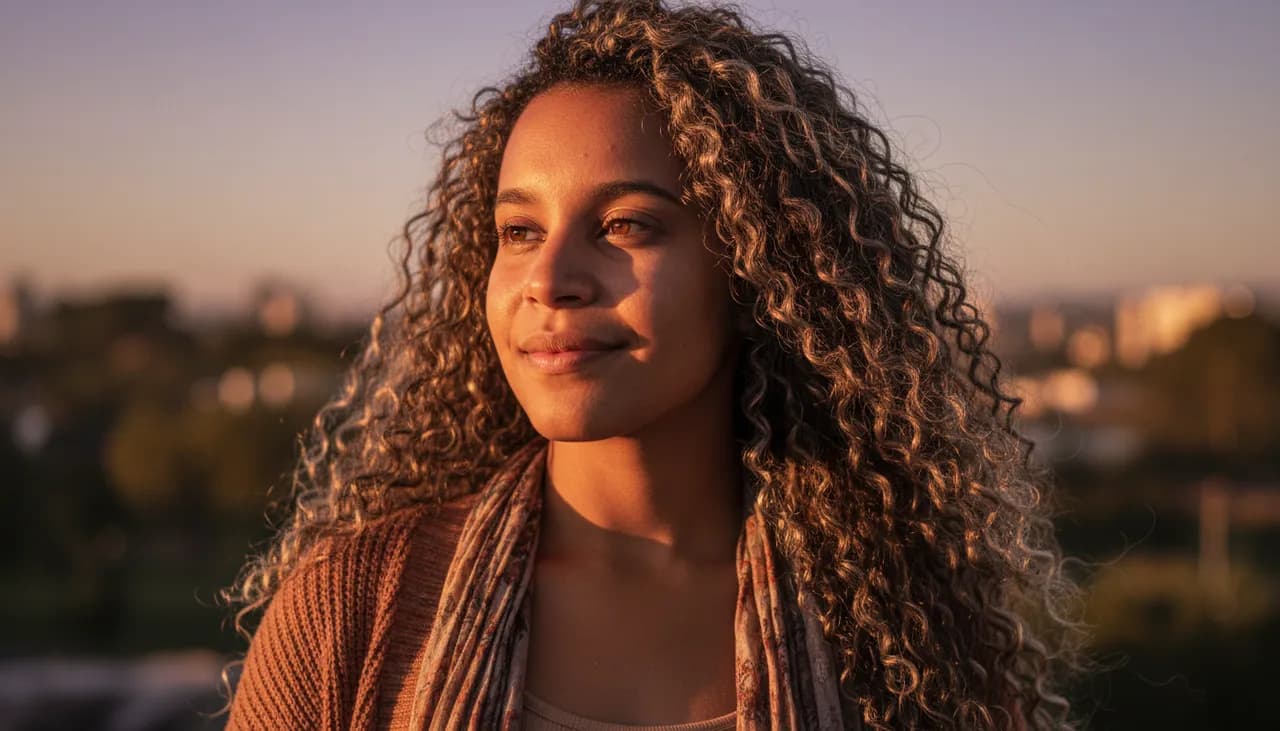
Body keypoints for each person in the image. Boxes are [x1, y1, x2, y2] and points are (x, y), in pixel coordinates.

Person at [222, 0, 1087, 728]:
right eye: (519, 231)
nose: (550, 280)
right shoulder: (350, 613)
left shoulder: (898, 644)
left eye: (627, 224)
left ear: (756, 270)